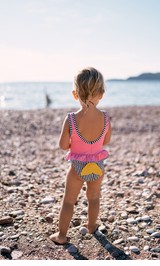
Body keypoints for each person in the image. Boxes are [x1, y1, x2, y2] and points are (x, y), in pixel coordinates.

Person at [50, 67, 112, 244]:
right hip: (98, 166)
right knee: (93, 197)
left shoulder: (71, 119)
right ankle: (92, 225)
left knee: (69, 201)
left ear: (75, 94)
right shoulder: (105, 118)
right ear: (101, 94)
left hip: (77, 167)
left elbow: (63, 145)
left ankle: (61, 235)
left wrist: (75, 144)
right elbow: (106, 141)